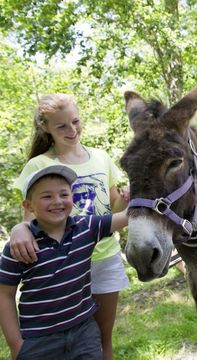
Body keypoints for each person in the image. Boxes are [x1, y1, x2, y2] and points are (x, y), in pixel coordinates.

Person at [8, 94, 129, 360]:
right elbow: (28, 216)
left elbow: (114, 209)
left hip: (104, 257)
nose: (72, 130)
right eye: (62, 126)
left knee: (101, 337)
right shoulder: (37, 165)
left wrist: (125, 198)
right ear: (46, 128)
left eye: (75, 121)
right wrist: (19, 229)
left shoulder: (100, 157)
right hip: (62, 263)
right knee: (69, 339)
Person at [0, 165, 128, 360]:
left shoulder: (87, 228)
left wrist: (134, 193)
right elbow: (4, 295)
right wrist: (16, 345)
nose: (57, 201)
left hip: (84, 333)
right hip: (39, 341)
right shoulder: (19, 246)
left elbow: (128, 217)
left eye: (63, 194)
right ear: (28, 206)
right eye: (46, 196)